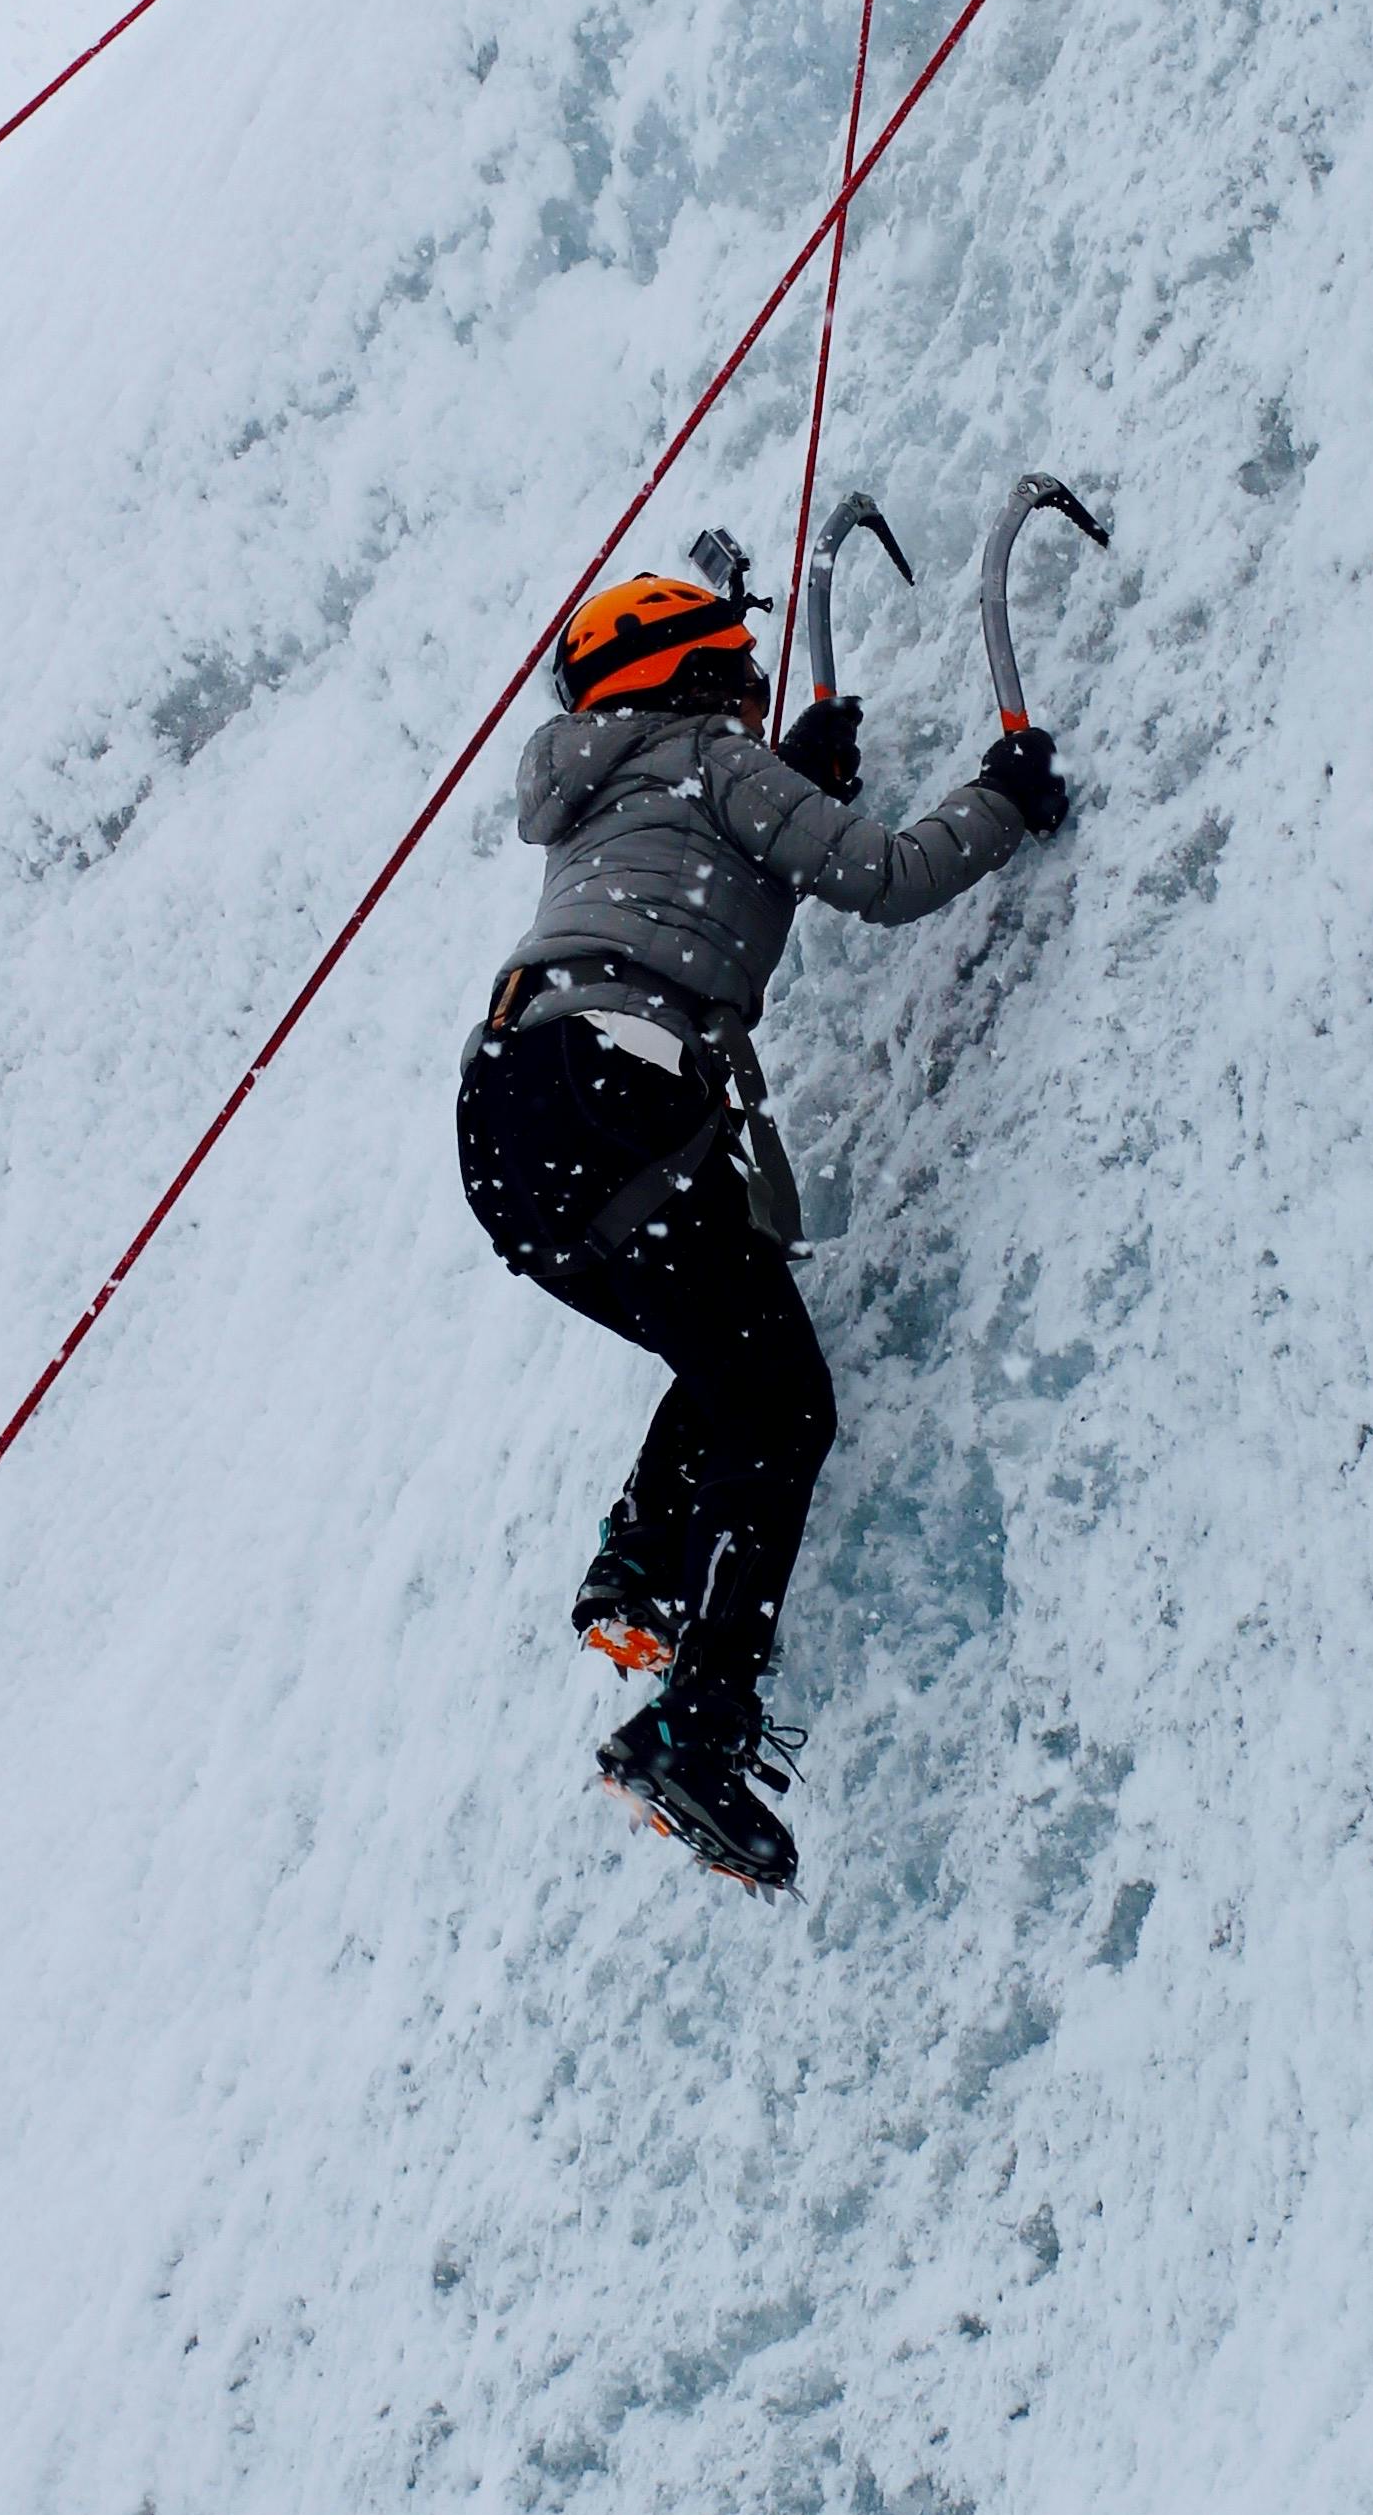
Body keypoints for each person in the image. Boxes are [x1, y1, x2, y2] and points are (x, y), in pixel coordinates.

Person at [457, 559, 1069, 1890]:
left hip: (512, 1116)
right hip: (614, 1082)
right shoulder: (705, 761)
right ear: (690, 679)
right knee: (780, 1401)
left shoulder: (610, 790)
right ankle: (700, 1724)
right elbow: (891, 878)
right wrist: (1004, 801)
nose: (749, 691)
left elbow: (711, 884)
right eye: (737, 672)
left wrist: (795, 772)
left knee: (731, 1342)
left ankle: (640, 1565)